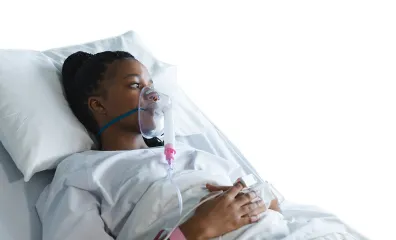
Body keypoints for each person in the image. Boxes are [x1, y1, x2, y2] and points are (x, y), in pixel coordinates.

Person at [61, 51, 280, 239]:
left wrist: (251, 201)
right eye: (135, 85)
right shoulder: (81, 174)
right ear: (98, 105)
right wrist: (197, 230)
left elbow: (273, 203)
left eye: (151, 86)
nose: (153, 96)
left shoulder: (190, 153)